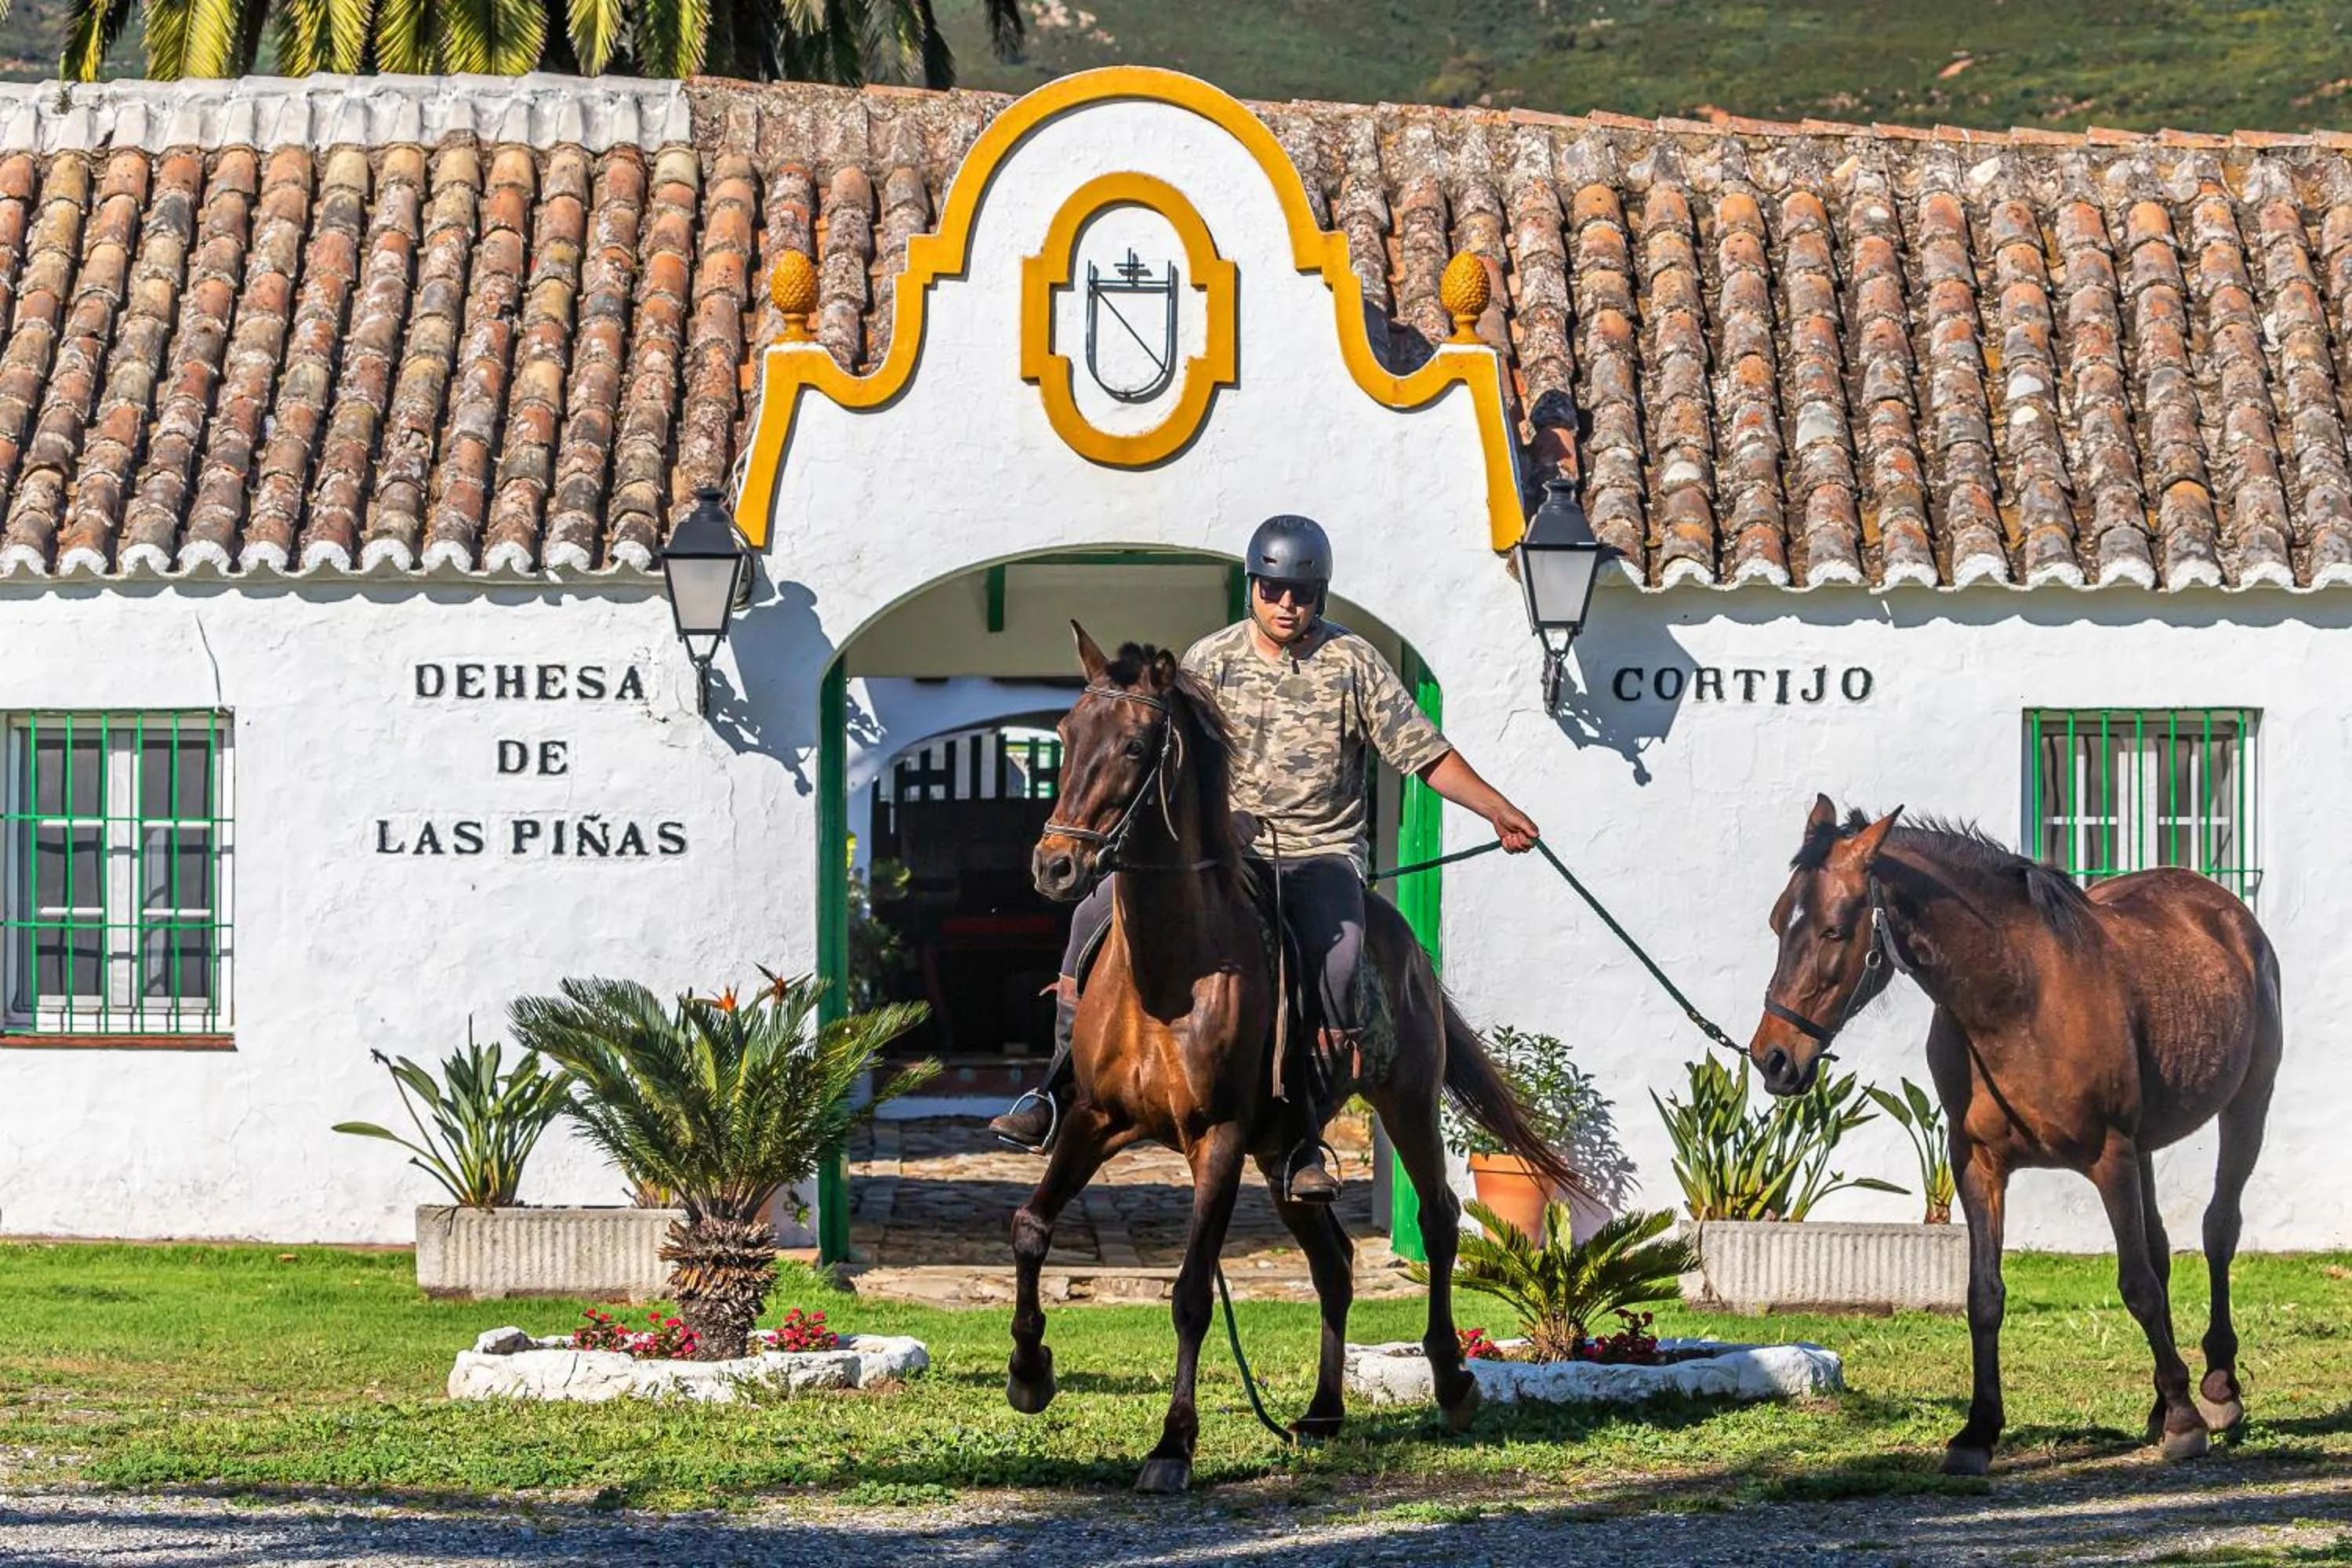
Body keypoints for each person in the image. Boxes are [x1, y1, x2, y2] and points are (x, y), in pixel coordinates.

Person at [989, 514, 1541, 1201]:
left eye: (1303, 593)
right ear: (1253, 586)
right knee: (1092, 918)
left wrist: (1496, 808)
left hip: (1321, 857)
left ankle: (1302, 1135)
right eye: (1275, 589)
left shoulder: (1353, 662)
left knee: (1338, 965)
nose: (1288, 604)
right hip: (1225, 854)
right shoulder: (1209, 660)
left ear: (1321, 596)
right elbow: (1171, 762)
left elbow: (1422, 754)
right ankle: (1053, 1089)